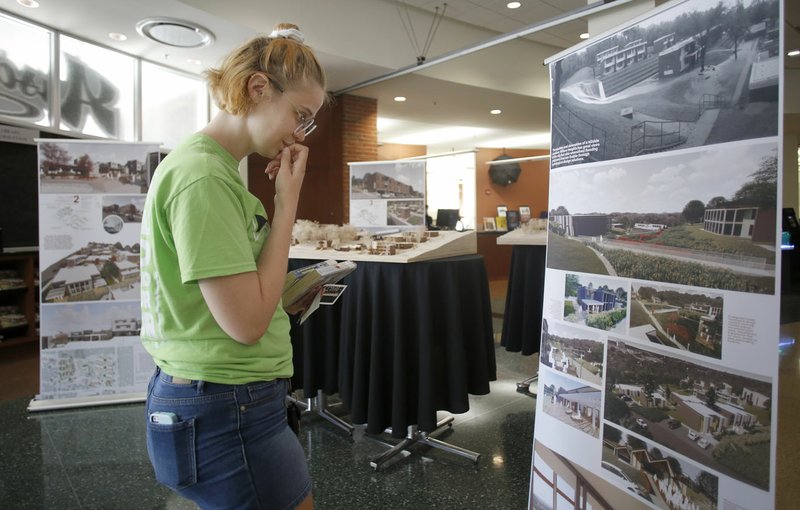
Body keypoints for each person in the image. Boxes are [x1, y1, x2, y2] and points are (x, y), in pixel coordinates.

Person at [139, 23, 326, 510]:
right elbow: (245, 323)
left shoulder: (215, 171)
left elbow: (237, 300)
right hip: (226, 402)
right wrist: (286, 204)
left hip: (228, 397)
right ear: (259, 87)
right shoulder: (202, 177)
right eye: (299, 115)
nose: (298, 133)